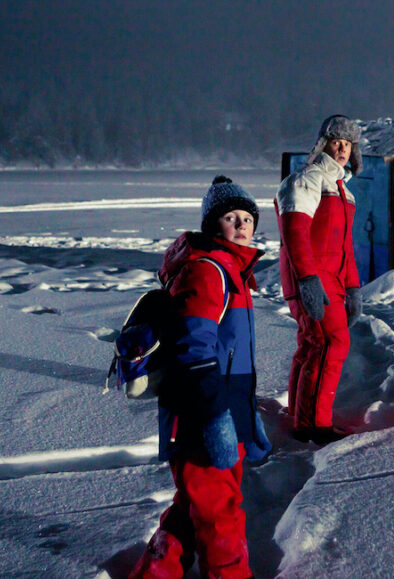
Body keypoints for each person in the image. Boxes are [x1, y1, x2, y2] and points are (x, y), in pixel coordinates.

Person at [130, 176, 271, 579]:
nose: (242, 225)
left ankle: (157, 572)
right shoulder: (207, 271)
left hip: (224, 407)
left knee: (196, 504)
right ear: (213, 225)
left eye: (248, 218)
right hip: (201, 414)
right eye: (231, 217)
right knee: (220, 513)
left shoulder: (233, 271)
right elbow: (194, 349)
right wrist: (215, 418)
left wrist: (245, 412)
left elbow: (230, 354)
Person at [275, 114, 364, 445]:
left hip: (332, 282)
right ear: (324, 144)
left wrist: (353, 288)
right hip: (313, 279)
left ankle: (299, 415)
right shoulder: (308, 179)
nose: (342, 149)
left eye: (347, 144)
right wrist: (308, 280)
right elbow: (295, 232)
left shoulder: (343, 190)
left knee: (311, 344)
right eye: (336, 142)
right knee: (331, 343)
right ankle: (315, 425)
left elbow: (345, 248)